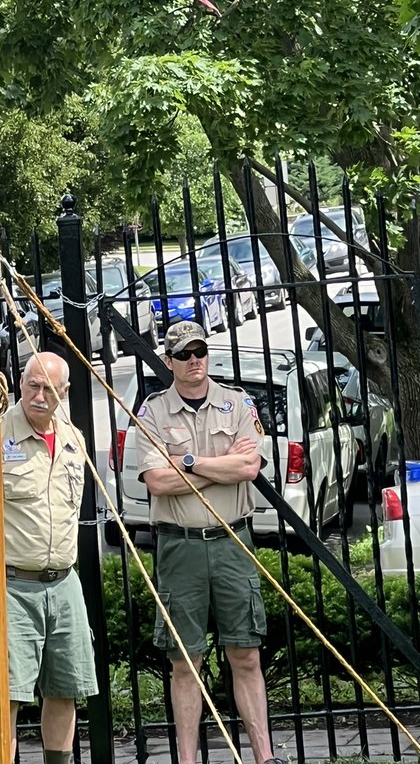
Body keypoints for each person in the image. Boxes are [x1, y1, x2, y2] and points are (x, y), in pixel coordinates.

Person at [136, 320, 283, 764]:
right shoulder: (153, 412)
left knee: (246, 654)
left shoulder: (236, 403)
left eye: (199, 351)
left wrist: (187, 460)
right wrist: (218, 463)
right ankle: (185, 759)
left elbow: (248, 469)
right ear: (169, 362)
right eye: (183, 354)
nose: (194, 360)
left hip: (232, 542)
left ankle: (264, 758)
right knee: (186, 662)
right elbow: (158, 482)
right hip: (179, 547)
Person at [0, 352, 97, 764]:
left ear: (64, 393)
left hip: (63, 584)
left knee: (65, 690)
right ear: (20, 383)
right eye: (32, 384)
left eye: (50, 388)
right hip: (7, 584)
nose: (40, 395)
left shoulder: (72, 439)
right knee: (3, 697)